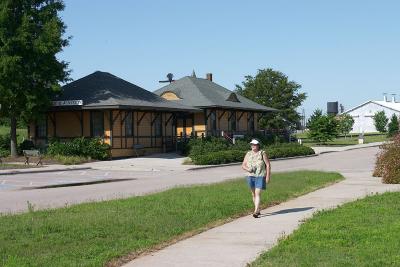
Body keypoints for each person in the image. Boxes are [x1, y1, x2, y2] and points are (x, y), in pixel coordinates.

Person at [241, 139, 271, 218]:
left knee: (257, 193)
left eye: (255, 145)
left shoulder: (262, 153)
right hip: (250, 176)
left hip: (260, 175)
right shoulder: (248, 154)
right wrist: (248, 169)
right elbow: (243, 165)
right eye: (252, 145)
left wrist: (268, 176)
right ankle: (257, 209)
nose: (253, 146)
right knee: (253, 194)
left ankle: (255, 212)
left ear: (258, 145)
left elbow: (268, 165)